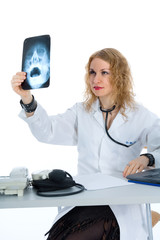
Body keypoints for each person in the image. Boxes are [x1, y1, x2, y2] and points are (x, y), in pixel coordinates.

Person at [11, 48, 160, 240]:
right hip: (85, 196)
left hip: (122, 200)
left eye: (104, 73)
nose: (96, 80)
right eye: (92, 72)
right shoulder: (82, 112)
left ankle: (146, 217)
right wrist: (27, 99)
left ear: (120, 76)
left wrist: (147, 157)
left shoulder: (140, 115)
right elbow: (47, 131)